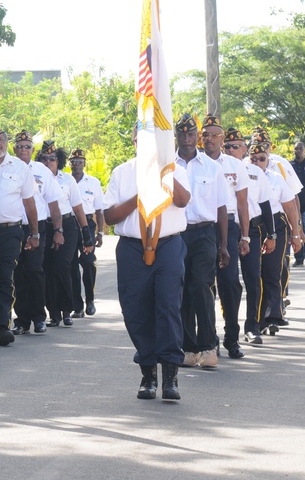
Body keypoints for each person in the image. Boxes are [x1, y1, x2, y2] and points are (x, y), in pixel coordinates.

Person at [104, 124, 191, 400]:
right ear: (132, 142)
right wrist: (138, 197)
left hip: (168, 244)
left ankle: (170, 376)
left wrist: (164, 170)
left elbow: (183, 199)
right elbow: (109, 216)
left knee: (168, 306)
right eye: (140, 140)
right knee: (136, 310)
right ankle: (147, 372)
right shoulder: (122, 172)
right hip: (132, 247)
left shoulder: (176, 168)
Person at [175, 114, 229, 369]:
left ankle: (208, 346)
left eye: (191, 134)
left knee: (201, 286)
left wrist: (224, 244)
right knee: (182, 289)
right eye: (182, 134)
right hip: (176, 233)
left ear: (198, 136)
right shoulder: (168, 166)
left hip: (205, 233)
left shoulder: (212, 167)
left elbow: (221, 208)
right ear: (176, 136)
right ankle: (189, 348)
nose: (186, 138)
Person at [0, 124, 41, 346]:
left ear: (6, 143)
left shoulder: (19, 167)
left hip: (10, 231)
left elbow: (29, 202)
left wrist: (34, 233)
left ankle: (2, 326)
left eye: (0, 140)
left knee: (5, 277)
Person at [202, 116, 250, 360]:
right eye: (205, 134)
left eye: (214, 135)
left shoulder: (234, 165)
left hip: (229, 227)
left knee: (230, 284)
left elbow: (242, 203)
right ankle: (208, 339)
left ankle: (232, 337)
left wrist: (245, 236)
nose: (209, 139)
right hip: (202, 227)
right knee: (202, 284)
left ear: (222, 138)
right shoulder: (193, 163)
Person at [225, 129, 276, 346]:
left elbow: (265, 205)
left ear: (244, 148)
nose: (230, 150)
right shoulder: (217, 168)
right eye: (227, 146)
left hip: (252, 231)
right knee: (227, 281)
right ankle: (229, 328)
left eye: (235, 146)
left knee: (253, 278)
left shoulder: (254, 171)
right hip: (225, 229)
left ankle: (252, 326)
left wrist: (272, 234)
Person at [12, 132, 64, 334]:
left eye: (27, 146)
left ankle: (39, 317)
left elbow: (53, 203)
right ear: (15, 149)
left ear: (33, 150)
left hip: (37, 228)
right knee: (18, 274)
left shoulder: (42, 170)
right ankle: (22, 320)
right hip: (14, 227)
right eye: (20, 146)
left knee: (34, 271)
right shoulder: (8, 168)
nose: (24, 149)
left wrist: (58, 230)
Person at [38, 141, 94, 327]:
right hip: (44, 226)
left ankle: (67, 310)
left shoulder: (67, 180)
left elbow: (78, 208)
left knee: (63, 266)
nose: (48, 162)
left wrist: (87, 234)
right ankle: (53, 313)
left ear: (59, 160)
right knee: (47, 269)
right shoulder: (34, 178)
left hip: (67, 226)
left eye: (52, 159)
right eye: (44, 159)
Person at [249, 140, 301, 337]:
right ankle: (256, 320)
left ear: (267, 160)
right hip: (254, 225)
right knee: (255, 274)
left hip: (277, 225)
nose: (257, 162)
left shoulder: (276, 178)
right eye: (253, 159)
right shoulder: (245, 177)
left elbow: (289, 207)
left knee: (272, 272)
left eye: (261, 159)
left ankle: (272, 316)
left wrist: (296, 234)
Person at [70, 148, 106, 316]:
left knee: (88, 262)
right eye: (74, 161)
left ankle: (90, 300)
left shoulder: (93, 182)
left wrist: (100, 233)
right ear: (69, 163)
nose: (77, 164)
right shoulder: (64, 180)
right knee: (71, 266)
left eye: (80, 161)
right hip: (70, 225)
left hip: (88, 226)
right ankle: (77, 306)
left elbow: (99, 210)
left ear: (84, 163)